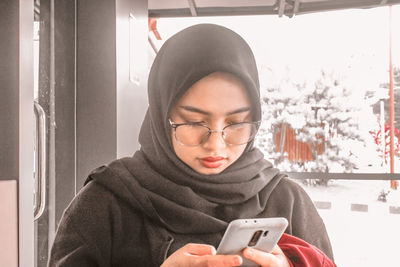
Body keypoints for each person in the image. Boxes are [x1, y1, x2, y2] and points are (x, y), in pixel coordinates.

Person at [48, 24, 335, 267]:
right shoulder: (106, 202)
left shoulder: (287, 200)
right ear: (162, 116)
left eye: (236, 124)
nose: (215, 145)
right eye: (194, 122)